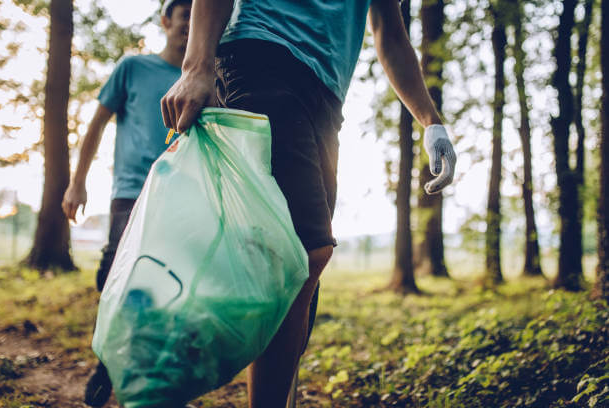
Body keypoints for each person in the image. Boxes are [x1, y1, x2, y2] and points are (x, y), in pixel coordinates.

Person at [161, 1, 457, 407]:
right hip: (261, 54)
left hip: (327, 95)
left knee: (300, 269)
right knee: (302, 254)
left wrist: (431, 121)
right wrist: (196, 66)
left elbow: (390, 32)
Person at [61, 0, 192, 406]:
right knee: (115, 272)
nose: (190, 26)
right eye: (184, 17)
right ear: (166, 21)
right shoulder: (133, 68)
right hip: (131, 191)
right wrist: (76, 183)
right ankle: (107, 358)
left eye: (197, 18)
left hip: (181, 195)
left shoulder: (205, 77)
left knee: (168, 280)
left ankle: (148, 367)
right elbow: (97, 122)